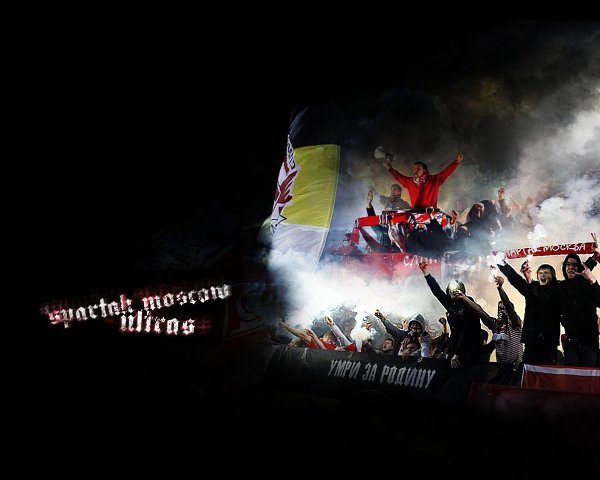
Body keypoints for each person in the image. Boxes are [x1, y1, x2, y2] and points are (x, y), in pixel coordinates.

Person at [418, 261, 482, 368]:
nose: (453, 292)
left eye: (456, 289)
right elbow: (437, 291)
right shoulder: (451, 304)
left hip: (469, 347)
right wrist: (426, 273)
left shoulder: (469, 304)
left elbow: (467, 331)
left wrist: (458, 353)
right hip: (455, 346)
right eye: (451, 290)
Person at [455, 276, 523, 365]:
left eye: (504, 308)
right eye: (500, 309)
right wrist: (464, 298)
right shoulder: (496, 324)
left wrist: (500, 289)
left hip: (517, 367)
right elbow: (480, 312)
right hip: (502, 368)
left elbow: (509, 308)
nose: (501, 311)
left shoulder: (516, 323)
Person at [558, 253, 600, 367]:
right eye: (568, 264)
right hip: (571, 342)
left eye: (574, 265)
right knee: (572, 375)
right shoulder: (561, 286)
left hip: (590, 342)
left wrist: (592, 279)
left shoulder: (588, 284)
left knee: (589, 375)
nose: (570, 267)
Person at [382, 152, 463, 209]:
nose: (415, 171)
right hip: (416, 214)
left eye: (418, 169)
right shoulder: (410, 182)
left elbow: (446, 172)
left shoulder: (434, 180)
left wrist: (456, 162)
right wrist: (390, 169)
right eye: (414, 169)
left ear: (424, 170)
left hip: (430, 214)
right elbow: (399, 177)